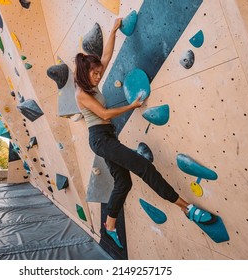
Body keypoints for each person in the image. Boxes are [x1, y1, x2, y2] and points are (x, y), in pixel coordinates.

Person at [74, 18, 216, 249]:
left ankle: (108, 227)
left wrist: (113, 30)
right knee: (144, 167)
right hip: (100, 139)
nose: (99, 77)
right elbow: (105, 114)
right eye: (96, 74)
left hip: (107, 138)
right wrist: (131, 106)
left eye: (100, 73)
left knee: (123, 183)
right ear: (85, 72)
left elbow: (107, 56)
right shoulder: (81, 93)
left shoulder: (90, 82)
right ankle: (186, 207)